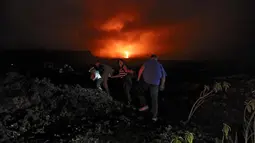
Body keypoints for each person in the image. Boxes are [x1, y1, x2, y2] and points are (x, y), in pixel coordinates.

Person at [137, 54, 167, 121]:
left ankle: (145, 106)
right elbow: (163, 76)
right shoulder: (159, 65)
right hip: (155, 83)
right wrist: (162, 85)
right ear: (156, 58)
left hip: (147, 82)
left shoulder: (147, 62)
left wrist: (138, 78)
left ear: (151, 58)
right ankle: (154, 116)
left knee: (140, 93)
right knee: (154, 99)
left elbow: (141, 70)